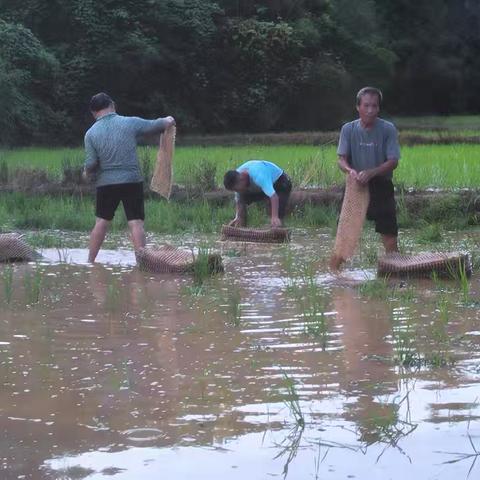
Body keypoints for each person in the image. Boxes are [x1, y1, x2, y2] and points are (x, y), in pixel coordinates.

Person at [83, 92, 175, 262]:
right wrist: (168, 119)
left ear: (93, 113)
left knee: (101, 222)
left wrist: (86, 172)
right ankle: (143, 263)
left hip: (106, 184)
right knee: (136, 222)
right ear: (112, 105)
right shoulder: (129, 122)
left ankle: (90, 262)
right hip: (132, 181)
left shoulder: (90, 134)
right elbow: (156, 125)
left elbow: (91, 164)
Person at [337, 87, 401, 253]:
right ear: (358, 107)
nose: (370, 110)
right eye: (366, 106)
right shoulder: (348, 129)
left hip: (381, 184)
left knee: (389, 232)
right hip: (355, 185)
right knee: (345, 232)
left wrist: (372, 172)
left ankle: (392, 268)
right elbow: (341, 159)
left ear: (379, 108)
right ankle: (338, 273)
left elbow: (393, 161)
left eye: (374, 106)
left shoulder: (388, 129)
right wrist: (349, 170)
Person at [223, 160, 292, 228]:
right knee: (241, 198)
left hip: (280, 182)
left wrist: (274, 217)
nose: (237, 191)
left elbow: (274, 197)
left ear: (241, 179)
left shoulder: (258, 175)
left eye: (237, 189)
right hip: (259, 186)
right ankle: (241, 228)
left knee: (275, 214)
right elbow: (239, 201)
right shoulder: (236, 178)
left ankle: (279, 229)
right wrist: (237, 216)